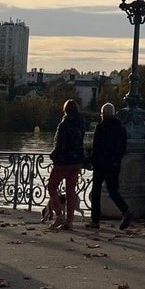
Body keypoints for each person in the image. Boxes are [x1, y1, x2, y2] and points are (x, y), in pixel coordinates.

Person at [85, 102, 132, 231]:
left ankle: (95, 220)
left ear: (103, 114)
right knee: (113, 190)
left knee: (96, 192)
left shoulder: (101, 127)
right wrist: (117, 159)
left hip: (101, 163)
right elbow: (123, 147)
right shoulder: (121, 127)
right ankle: (125, 210)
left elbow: (96, 146)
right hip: (115, 164)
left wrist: (92, 161)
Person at [46, 98, 85, 231]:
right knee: (70, 191)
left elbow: (59, 144)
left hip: (63, 161)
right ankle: (69, 221)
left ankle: (58, 214)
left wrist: (54, 156)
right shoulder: (81, 124)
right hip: (76, 161)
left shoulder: (64, 124)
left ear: (65, 110)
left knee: (51, 186)